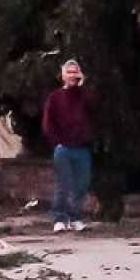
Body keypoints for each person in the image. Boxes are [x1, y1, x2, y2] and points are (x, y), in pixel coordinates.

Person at [41, 59, 98, 234]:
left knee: (82, 185)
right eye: (70, 72)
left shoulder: (85, 95)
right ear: (63, 75)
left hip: (83, 148)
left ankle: (75, 218)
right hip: (64, 149)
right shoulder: (55, 98)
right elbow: (48, 124)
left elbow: (94, 107)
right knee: (63, 185)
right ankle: (59, 219)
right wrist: (57, 142)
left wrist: (82, 86)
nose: (73, 75)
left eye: (76, 72)